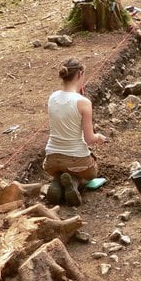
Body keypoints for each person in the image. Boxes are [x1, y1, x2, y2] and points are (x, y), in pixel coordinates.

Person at [43, 58, 108, 206]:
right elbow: (89, 139)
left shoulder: (52, 98)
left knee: (62, 168)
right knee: (92, 171)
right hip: (77, 161)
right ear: (80, 74)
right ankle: (75, 182)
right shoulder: (83, 102)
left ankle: (57, 182)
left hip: (51, 161)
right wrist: (99, 137)